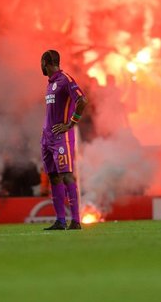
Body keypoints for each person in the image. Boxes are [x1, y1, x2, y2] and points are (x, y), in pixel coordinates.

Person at [40, 50, 88, 230]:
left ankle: (75, 220)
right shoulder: (50, 84)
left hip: (62, 137)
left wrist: (70, 124)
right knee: (53, 177)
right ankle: (60, 221)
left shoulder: (65, 80)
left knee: (66, 175)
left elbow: (82, 100)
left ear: (45, 62)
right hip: (47, 137)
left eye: (41, 63)